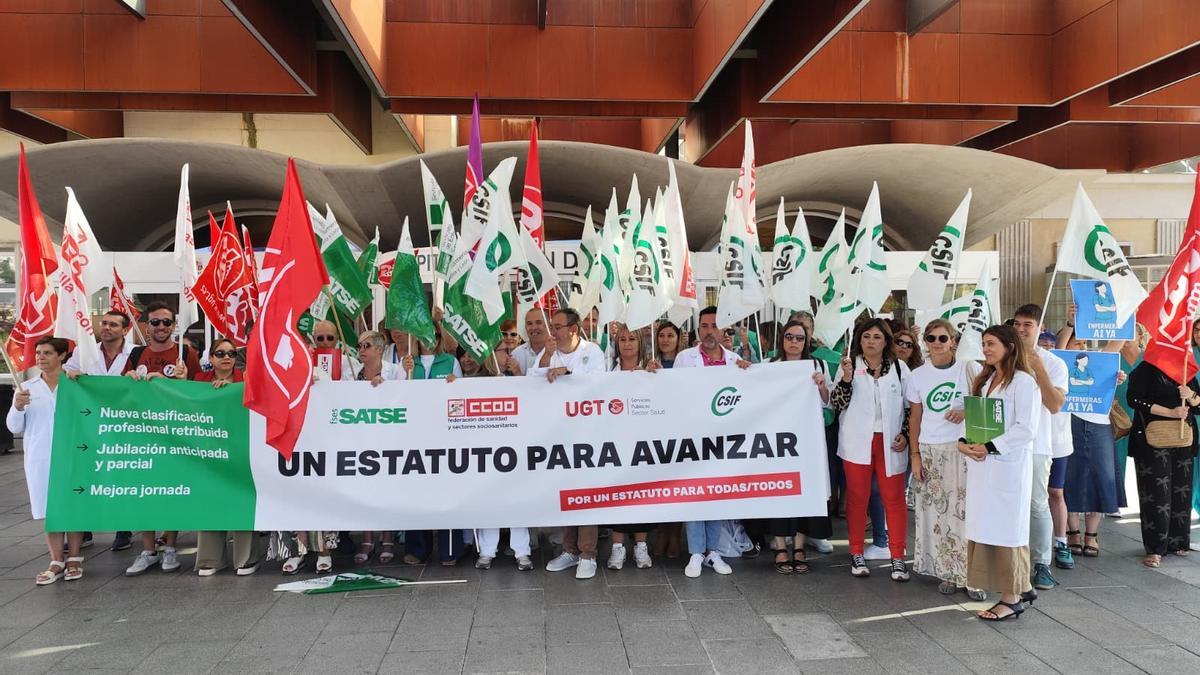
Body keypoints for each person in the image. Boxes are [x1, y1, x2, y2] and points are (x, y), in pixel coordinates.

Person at [960, 325, 1040, 621]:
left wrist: (991, 446)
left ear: (1009, 346)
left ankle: (1012, 599)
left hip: (1007, 466)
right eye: (983, 343)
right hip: (984, 468)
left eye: (991, 343)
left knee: (1008, 531)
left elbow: (1026, 428)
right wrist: (964, 442)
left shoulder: (1023, 382)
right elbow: (975, 418)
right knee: (987, 526)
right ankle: (1023, 586)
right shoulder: (987, 379)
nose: (986, 349)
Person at [123, 301, 201, 576]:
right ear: (147, 325)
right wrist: (130, 378)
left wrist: (183, 379)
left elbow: (196, 392)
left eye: (166, 322)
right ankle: (148, 550)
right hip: (143, 433)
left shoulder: (185, 353)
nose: (161, 327)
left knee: (171, 489)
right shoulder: (136, 354)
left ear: (174, 325)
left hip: (174, 433)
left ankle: (170, 547)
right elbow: (120, 391)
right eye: (155, 322)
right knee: (145, 491)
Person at [830, 318, 911, 581]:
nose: (871, 342)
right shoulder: (850, 365)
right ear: (859, 339)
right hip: (857, 442)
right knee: (857, 498)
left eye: (877, 337)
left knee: (894, 500)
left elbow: (911, 405)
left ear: (886, 341)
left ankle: (897, 556)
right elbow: (837, 402)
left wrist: (906, 435)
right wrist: (846, 377)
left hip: (890, 443)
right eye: (866, 337)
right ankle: (856, 552)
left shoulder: (899, 368)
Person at [906, 319, 983, 598]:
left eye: (942, 338)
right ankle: (947, 571)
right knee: (937, 514)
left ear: (953, 340)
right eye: (930, 338)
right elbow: (915, 417)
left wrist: (965, 411)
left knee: (965, 513)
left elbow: (986, 402)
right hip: (929, 448)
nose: (936, 343)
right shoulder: (918, 375)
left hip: (962, 448)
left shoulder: (970, 368)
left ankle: (972, 575)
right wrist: (915, 455)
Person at [674, 306, 751, 578]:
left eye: (714, 326)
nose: (709, 331)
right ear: (698, 331)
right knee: (694, 492)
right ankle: (696, 551)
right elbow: (673, 393)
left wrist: (748, 373)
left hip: (724, 440)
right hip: (693, 436)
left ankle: (713, 551)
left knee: (717, 493)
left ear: (723, 329)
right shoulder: (685, 359)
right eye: (704, 326)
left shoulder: (735, 361)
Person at [535, 308, 607, 579]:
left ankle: (587, 553)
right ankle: (569, 550)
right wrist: (545, 356)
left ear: (573, 329)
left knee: (585, 493)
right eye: (552, 325)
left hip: (587, 432)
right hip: (557, 433)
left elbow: (597, 381)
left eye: (558, 326)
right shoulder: (550, 351)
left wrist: (568, 371)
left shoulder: (593, 351)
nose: (552, 330)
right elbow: (533, 380)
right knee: (564, 491)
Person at [9, 337, 84, 585]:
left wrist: (83, 381)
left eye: (47, 353)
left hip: (73, 455)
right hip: (40, 458)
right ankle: (56, 559)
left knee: (72, 506)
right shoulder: (26, 388)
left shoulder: (75, 383)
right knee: (48, 509)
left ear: (61, 356)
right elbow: (14, 427)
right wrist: (18, 407)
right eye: (39, 353)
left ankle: (74, 557)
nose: (41, 357)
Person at [1055, 312, 1126, 562]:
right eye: (1077, 342)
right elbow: (1059, 348)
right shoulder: (1061, 364)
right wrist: (1071, 324)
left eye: (1084, 343)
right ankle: (1072, 532)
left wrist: (1127, 310)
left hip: (1099, 426)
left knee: (1100, 478)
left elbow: (1116, 341)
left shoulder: (1100, 363)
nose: (1082, 346)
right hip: (1069, 424)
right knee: (1071, 478)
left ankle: (1091, 534)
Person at [64, 309, 135, 552]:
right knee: (88, 475)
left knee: (119, 475)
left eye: (113, 324)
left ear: (124, 329)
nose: (106, 328)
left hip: (122, 425)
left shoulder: (135, 353)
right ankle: (84, 530)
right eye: (103, 323)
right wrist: (71, 375)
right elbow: (66, 375)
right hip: (89, 423)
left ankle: (123, 529)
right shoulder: (84, 352)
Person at [1010, 304, 1069, 591]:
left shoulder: (1055, 363)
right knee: (1009, 503)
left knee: (1037, 504)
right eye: (1017, 324)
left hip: (1038, 445)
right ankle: (1010, 561)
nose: (1021, 329)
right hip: (1005, 445)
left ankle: (1042, 564)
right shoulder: (1004, 357)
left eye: (1028, 325)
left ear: (1040, 326)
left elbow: (1055, 405)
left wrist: (1038, 367)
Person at [765, 320, 831, 574]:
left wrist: (822, 385)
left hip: (809, 440)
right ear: (782, 339)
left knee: (807, 491)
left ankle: (800, 546)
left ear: (807, 341)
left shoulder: (818, 365)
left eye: (800, 338)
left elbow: (827, 403)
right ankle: (781, 546)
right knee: (780, 491)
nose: (794, 342)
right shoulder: (771, 366)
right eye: (789, 336)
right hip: (779, 441)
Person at [193, 338, 263, 576]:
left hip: (241, 447)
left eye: (232, 353)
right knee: (210, 501)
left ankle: (245, 558)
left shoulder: (247, 379)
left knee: (242, 499)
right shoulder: (199, 381)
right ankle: (210, 559)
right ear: (210, 358)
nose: (226, 357)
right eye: (220, 353)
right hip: (209, 450)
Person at [1126, 358, 1200, 567]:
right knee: (1155, 495)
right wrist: (1170, 412)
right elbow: (1134, 399)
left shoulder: (1186, 369)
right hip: (1151, 439)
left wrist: (1191, 396)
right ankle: (1155, 548)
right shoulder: (1146, 368)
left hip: (1183, 437)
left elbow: (1199, 406)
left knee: (1181, 490)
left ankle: (1177, 542)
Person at [605, 324, 657, 570]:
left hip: (643, 440)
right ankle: (617, 548)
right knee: (617, 495)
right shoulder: (606, 372)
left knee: (641, 495)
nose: (627, 344)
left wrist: (651, 376)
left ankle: (640, 547)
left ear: (640, 343)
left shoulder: (649, 370)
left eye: (632, 339)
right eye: (622, 339)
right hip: (614, 440)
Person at [506, 308, 551, 376]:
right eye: (529, 323)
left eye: (538, 322)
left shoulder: (561, 352)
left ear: (548, 325)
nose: (533, 327)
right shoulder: (516, 355)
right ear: (525, 327)